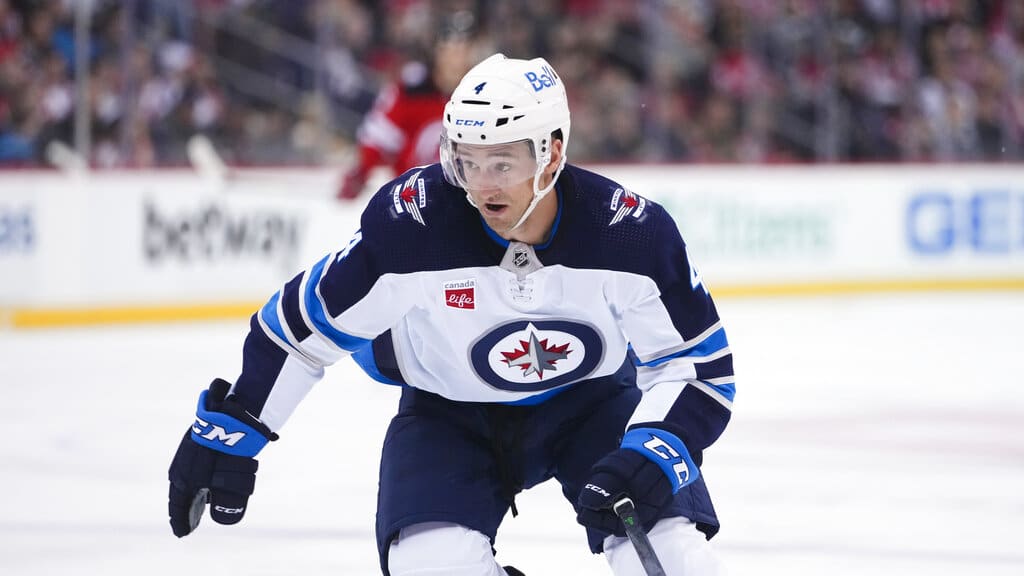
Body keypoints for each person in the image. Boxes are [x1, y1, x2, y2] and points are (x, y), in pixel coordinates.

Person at [168, 53, 734, 576]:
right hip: (448, 417)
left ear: (553, 153)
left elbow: (700, 364)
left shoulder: (630, 235)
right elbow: (300, 327)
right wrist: (235, 424)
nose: (481, 185)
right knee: (430, 565)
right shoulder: (413, 228)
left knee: (670, 552)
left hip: (591, 407)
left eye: (502, 162)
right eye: (466, 161)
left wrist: (657, 451)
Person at [335, 28, 475, 200]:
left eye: (463, 51)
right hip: (415, 201)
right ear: (437, 53)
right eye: (451, 51)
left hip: (469, 201)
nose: (457, 60)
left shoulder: (483, 95)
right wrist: (361, 174)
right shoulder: (409, 94)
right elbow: (376, 140)